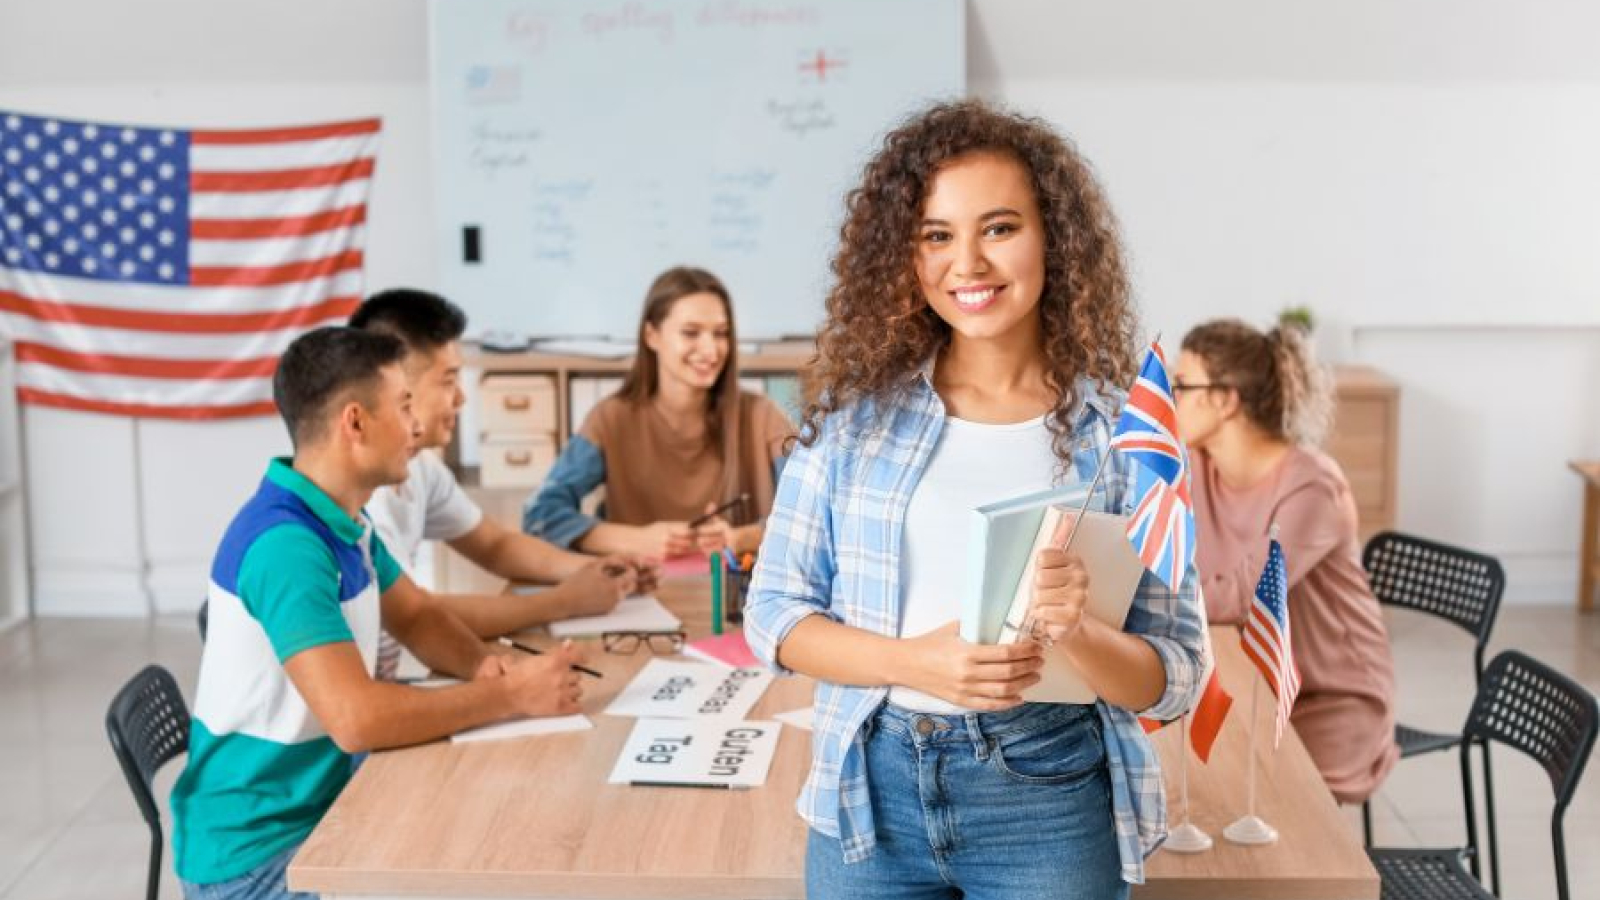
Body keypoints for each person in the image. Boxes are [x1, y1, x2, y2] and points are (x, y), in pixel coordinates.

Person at [744, 100, 1207, 899]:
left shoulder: (1122, 441)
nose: (969, 263)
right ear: (905, 256)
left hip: (1047, 793)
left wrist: (1082, 631)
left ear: (1052, 240)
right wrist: (914, 663)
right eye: (936, 235)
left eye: (999, 228)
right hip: (872, 791)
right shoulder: (856, 426)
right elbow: (774, 616)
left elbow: (1177, 676)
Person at [170, 327, 588, 900]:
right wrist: (509, 698)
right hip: (260, 859)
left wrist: (486, 670)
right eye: (405, 406)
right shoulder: (286, 544)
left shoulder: (345, 520)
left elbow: (417, 616)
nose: (417, 427)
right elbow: (357, 719)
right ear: (356, 422)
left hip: (325, 805)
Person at [350, 289, 656, 677]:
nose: (461, 397)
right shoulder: (365, 500)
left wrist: (591, 572)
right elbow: (421, 613)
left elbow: (495, 545)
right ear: (397, 386)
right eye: (448, 380)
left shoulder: (421, 468)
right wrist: (563, 602)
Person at [1174, 318, 1399, 804]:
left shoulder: (1313, 486)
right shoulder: (1198, 468)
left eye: (1182, 386)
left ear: (1225, 398)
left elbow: (1241, 596)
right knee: (1184, 780)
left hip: (1332, 697)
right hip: (1250, 680)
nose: (1171, 398)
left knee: (1246, 799)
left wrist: (1146, 598)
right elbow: (1163, 558)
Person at [523, 266, 793, 558]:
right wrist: (633, 540)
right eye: (691, 333)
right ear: (651, 336)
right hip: (635, 593)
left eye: (721, 334)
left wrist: (744, 538)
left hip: (735, 595)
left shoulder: (762, 417)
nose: (711, 350)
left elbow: (818, 511)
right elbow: (540, 514)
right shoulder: (610, 419)